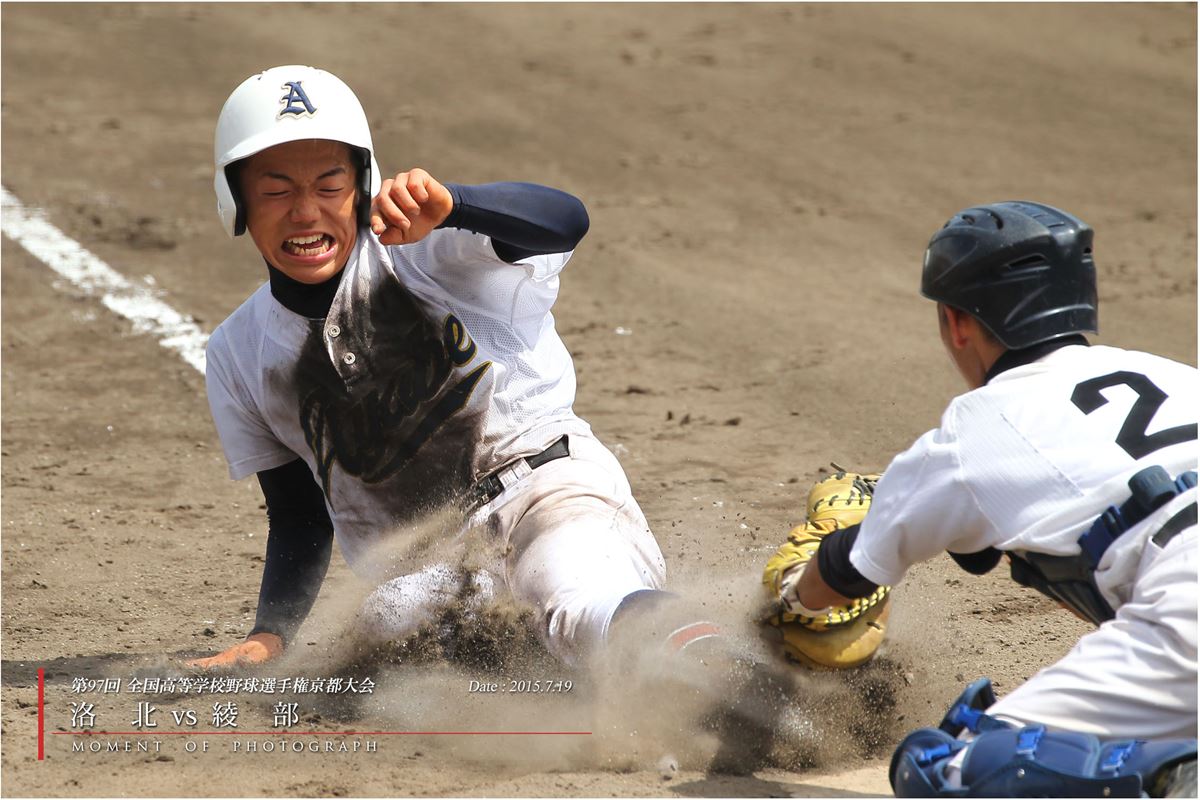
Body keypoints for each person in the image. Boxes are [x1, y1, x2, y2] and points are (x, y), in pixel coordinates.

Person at [185, 65, 687, 673]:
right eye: (276, 190)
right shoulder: (238, 354)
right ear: (235, 200)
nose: (305, 211)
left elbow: (566, 218)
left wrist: (457, 205)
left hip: (547, 495)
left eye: (328, 184)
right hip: (435, 570)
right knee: (384, 634)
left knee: (574, 596)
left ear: (362, 184)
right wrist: (270, 634)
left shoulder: (428, 249)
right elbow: (300, 513)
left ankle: (726, 673)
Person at [763, 201, 1197, 796]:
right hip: (1176, 585)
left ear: (957, 322)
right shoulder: (1173, 374)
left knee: (944, 767)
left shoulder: (971, 433)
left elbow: (842, 576)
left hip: (1188, 611)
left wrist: (786, 602)